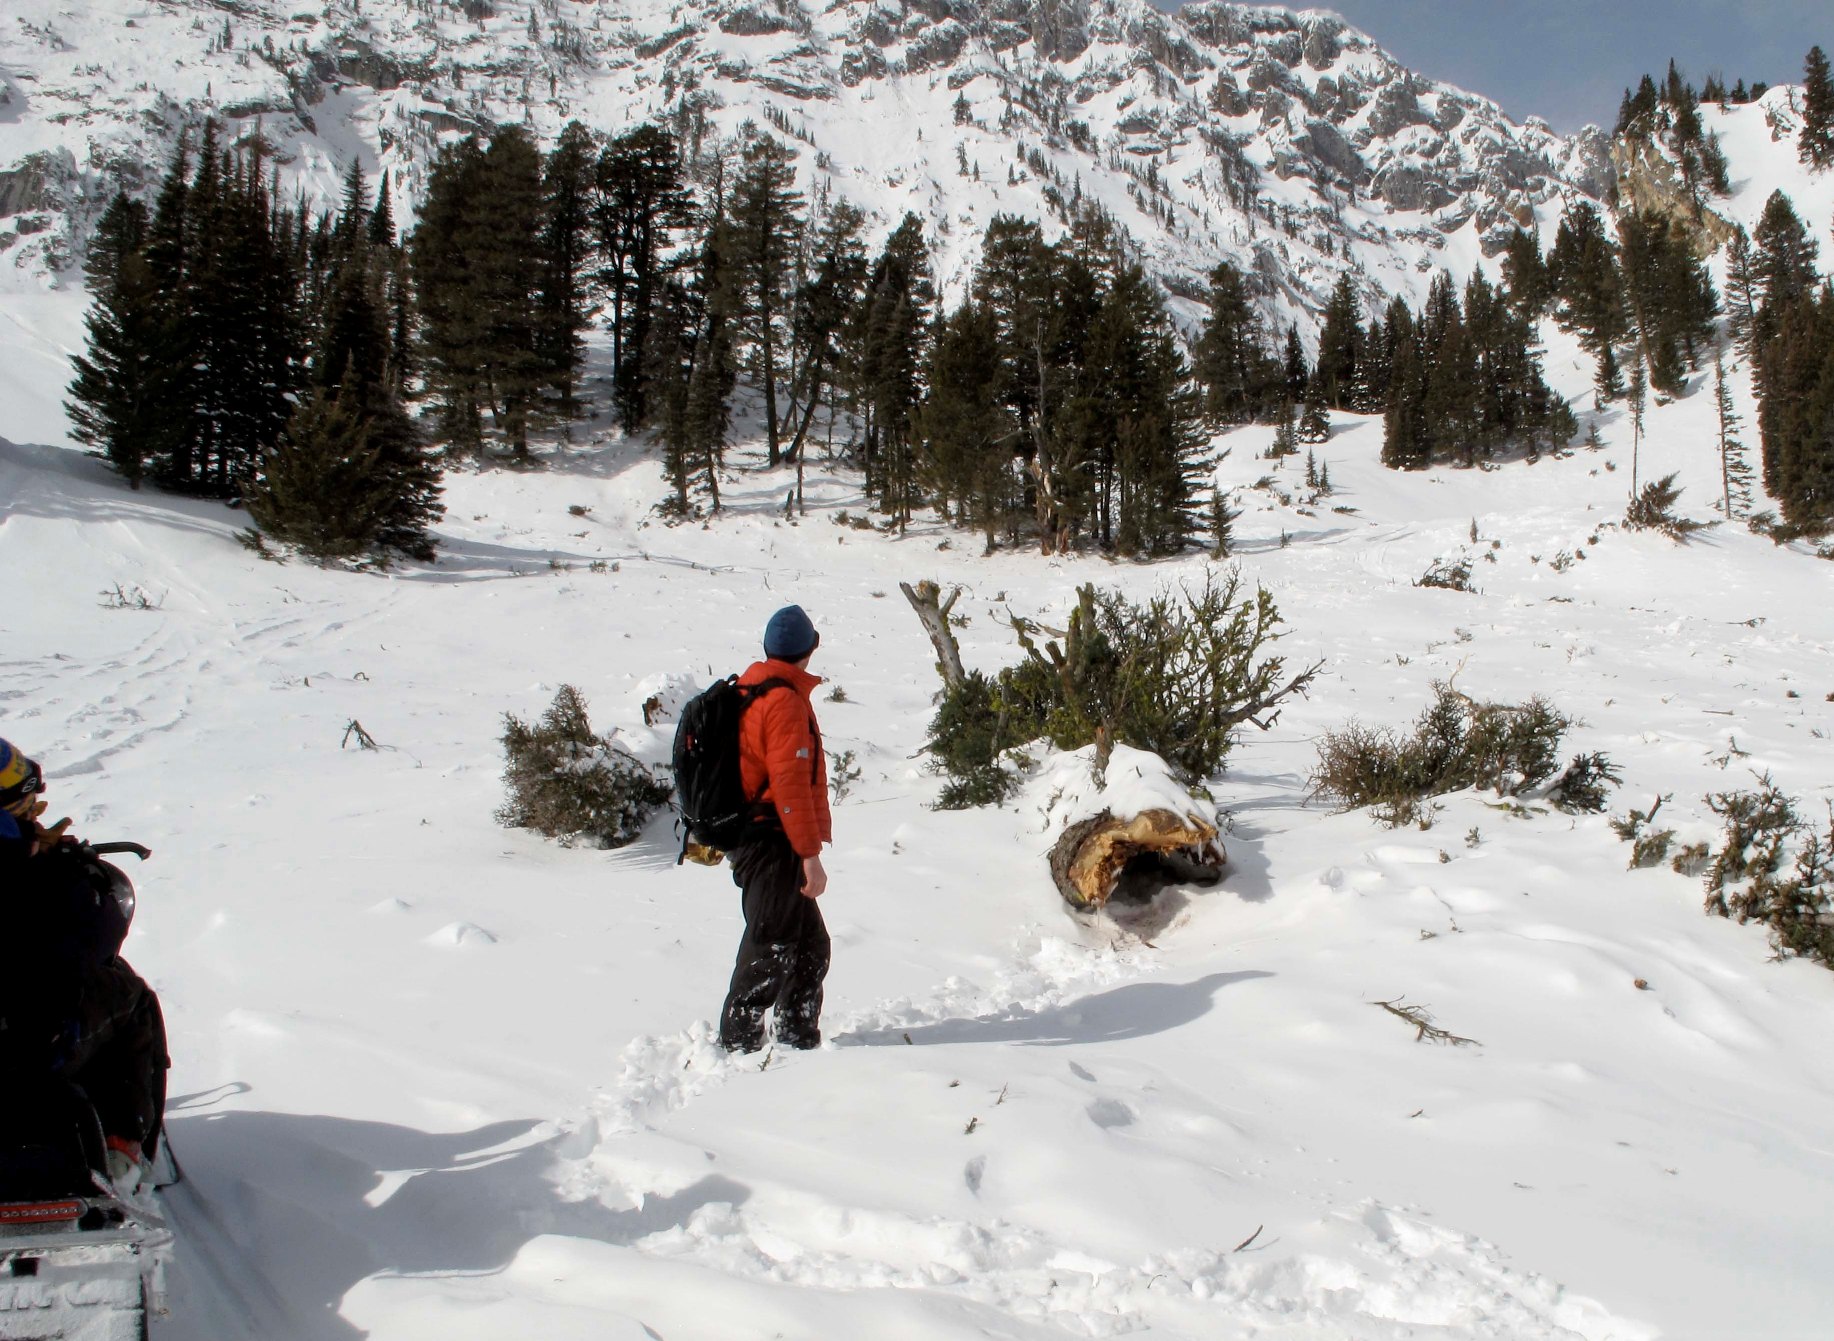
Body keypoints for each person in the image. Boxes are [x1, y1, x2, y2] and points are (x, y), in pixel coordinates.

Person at [0, 738, 169, 1192]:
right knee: (128, 997)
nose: (34, 812)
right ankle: (120, 1149)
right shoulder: (46, 882)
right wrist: (54, 864)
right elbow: (99, 938)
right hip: (29, 1042)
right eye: (24, 804)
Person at [719, 605, 833, 1053]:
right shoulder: (782, 700)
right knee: (771, 945)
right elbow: (789, 787)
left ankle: (796, 1038)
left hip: (763, 834)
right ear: (809, 649)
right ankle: (738, 1046)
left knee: (810, 946)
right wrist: (810, 856)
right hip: (770, 840)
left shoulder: (756, 686)